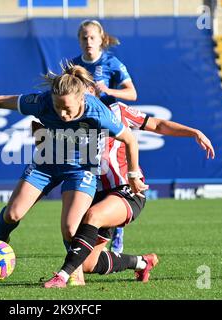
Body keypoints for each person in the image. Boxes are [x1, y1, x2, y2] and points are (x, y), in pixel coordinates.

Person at [0, 63, 148, 285]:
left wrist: (132, 174)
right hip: (46, 164)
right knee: (12, 214)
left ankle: (74, 273)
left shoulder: (97, 111)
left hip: (81, 169)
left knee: (70, 228)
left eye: (68, 109)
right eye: (58, 107)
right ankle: (1, 241)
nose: (63, 114)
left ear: (82, 100)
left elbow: (130, 139)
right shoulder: (42, 102)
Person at [41, 101, 215, 288]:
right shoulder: (67, 117)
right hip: (96, 194)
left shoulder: (117, 110)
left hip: (127, 190)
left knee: (94, 216)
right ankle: (142, 262)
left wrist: (194, 132)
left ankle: (63, 276)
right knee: (89, 264)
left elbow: (157, 124)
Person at [73, 19, 138, 253]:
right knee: (91, 179)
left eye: (92, 37)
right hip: (84, 129)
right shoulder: (74, 65)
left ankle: (116, 230)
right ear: (79, 40)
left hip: (110, 128)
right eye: (84, 37)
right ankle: (89, 233)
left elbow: (132, 93)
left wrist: (108, 91)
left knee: (111, 177)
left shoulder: (111, 62)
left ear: (101, 39)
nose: (88, 41)